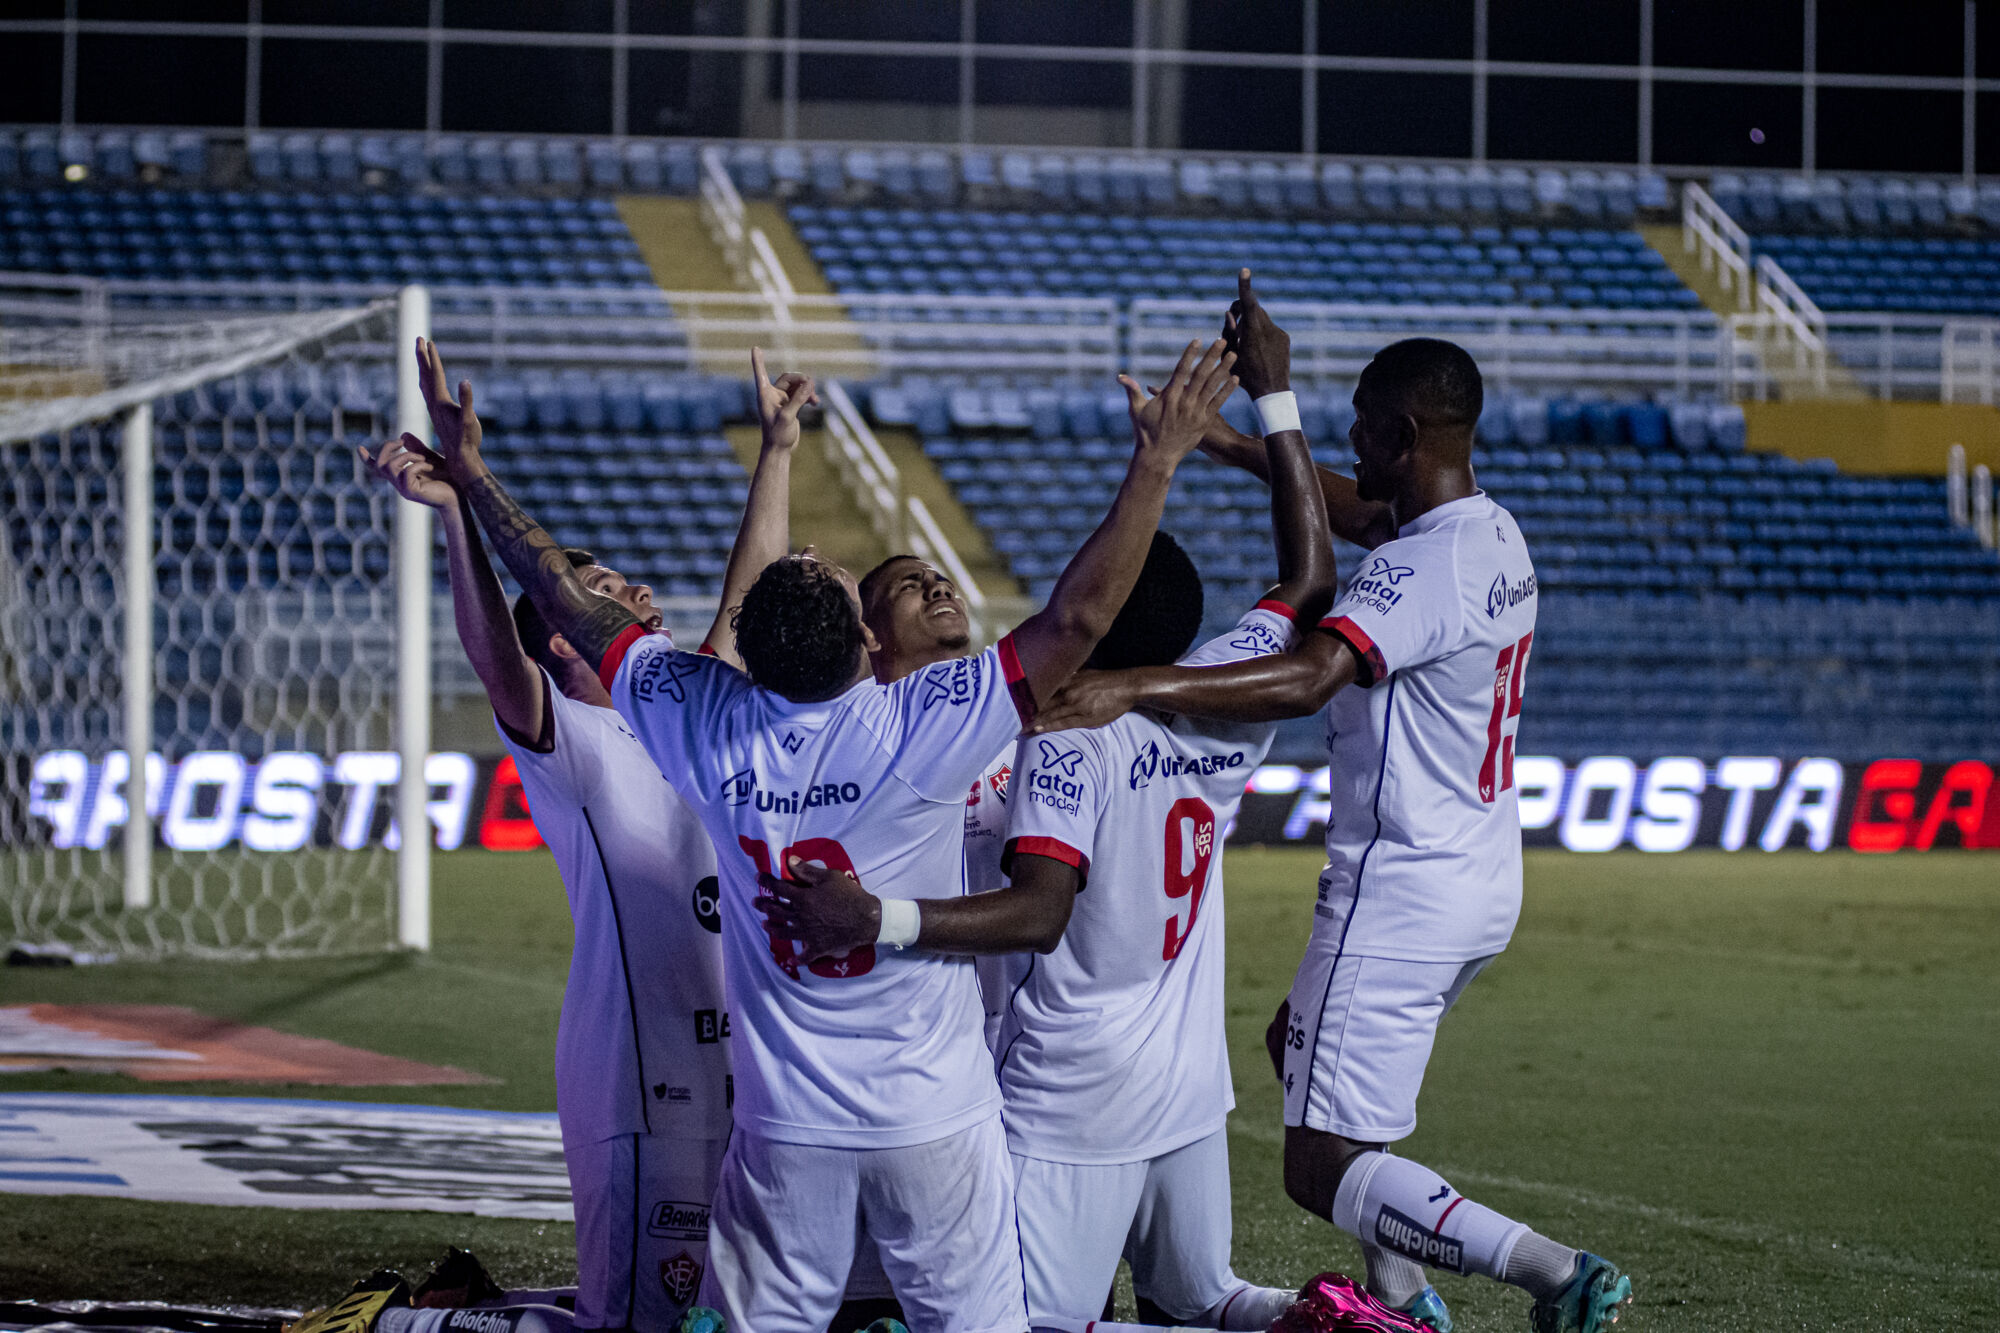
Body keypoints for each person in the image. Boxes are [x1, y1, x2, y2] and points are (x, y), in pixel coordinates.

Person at [438, 337, 1239, 1333]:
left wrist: (471, 477)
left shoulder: (701, 724)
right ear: (867, 643)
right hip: (934, 1116)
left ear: (744, 663)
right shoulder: (919, 719)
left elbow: (560, 595)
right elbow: (1077, 616)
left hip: (783, 1131)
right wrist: (1153, 462)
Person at [1026, 298, 1633, 1333]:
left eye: (1361, 428)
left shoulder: (1413, 568)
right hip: (1480, 876)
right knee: (1289, 1039)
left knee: (1316, 1164)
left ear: (1402, 436)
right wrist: (1224, 439)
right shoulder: (1483, 530)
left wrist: (1134, 686)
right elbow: (1347, 516)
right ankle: (1404, 1295)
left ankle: (1551, 1270)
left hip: (1397, 886)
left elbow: (1308, 675)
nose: (1350, 448)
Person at [761, 275, 1330, 1331]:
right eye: (904, 582)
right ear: (864, 641)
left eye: (940, 575)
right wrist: (1272, 406)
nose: (937, 586)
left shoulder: (1043, 731)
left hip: (1038, 1087)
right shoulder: (1195, 704)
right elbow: (1301, 587)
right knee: (1194, 1294)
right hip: (1062, 1076)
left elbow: (1038, 902)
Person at [358, 339, 811, 1332]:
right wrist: (454, 516)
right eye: (606, 588)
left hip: (749, 1073)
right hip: (641, 1080)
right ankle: (407, 1323)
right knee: (637, 1323)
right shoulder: (573, 740)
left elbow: (746, 594)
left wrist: (777, 447)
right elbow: (493, 661)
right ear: (564, 636)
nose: (637, 594)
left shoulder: (689, 710)